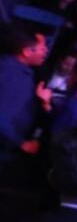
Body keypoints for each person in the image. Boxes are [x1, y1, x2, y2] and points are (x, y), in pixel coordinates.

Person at [0, 25, 46, 181]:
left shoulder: (16, 70)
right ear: (26, 52)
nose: (45, 51)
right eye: (42, 48)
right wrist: (20, 143)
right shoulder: (12, 74)